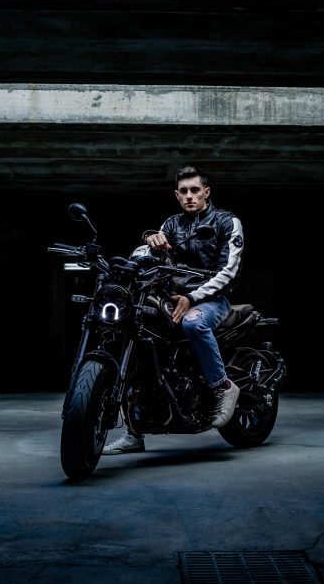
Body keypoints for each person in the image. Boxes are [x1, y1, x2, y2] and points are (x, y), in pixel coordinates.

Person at [104, 165, 244, 455]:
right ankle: (135, 431)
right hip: (172, 298)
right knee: (141, 336)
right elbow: (150, 254)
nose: (190, 196)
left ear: (206, 192)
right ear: (176, 195)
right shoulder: (171, 224)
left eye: (195, 190)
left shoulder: (226, 222)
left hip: (211, 299)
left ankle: (222, 386)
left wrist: (192, 297)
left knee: (193, 324)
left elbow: (228, 272)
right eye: (184, 191)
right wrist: (149, 240)